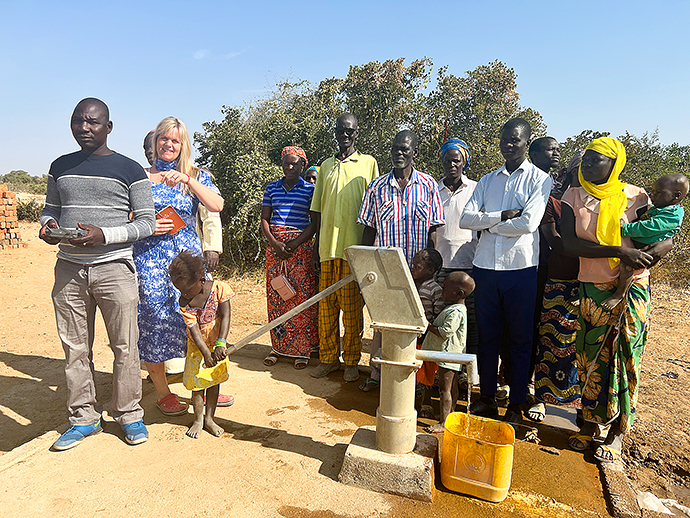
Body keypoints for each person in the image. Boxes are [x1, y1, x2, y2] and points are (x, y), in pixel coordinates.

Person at [39, 98, 155, 450]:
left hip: (115, 268)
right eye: (78, 121)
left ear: (109, 127)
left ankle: (129, 414)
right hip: (69, 269)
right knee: (75, 348)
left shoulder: (131, 169)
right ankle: (83, 418)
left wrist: (105, 235)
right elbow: (49, 210)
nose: (84, 128)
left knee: (124, 346)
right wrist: (48, 227)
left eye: (92, 122)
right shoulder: (60, 166)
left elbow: (147, 222)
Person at [561, 137, 672, 462]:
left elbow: (664, 235)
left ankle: (617, 432)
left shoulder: (635, 195)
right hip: (592, 288)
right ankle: (589, 425)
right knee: (590, 359)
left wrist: (646, 258)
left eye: (597, 160)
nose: (589, 165)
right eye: (587, 159)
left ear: (615, 164)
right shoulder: (572, 196)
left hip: (631, 287)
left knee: (625, 357)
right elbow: (570, 245)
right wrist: (619, 250)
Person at [459, 118, 551, 425]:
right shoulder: (487, 181)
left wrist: (490, 224)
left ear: (527, 142)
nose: (509, 145)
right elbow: (465, 219)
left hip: (520, 269)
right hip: (485, 268)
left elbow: (528, 224)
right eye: (504, 140)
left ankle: (517, 403)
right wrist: (501, 216)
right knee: (488, 337)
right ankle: (486, 398)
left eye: (515, 140)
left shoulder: (539, 180)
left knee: (520, 339)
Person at [133, 117, 225, 417]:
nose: (169, 145)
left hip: (188, 263)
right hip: (150, 261)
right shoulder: (139, 176)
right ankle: (163, 391)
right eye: (164, 139)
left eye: (175, 140)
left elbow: (217, 205)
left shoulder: (196, 175)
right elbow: (124, 215)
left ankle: (206, 382)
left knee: (201, 319)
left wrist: (188, 180)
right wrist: (144, 225)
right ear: (156, 140)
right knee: (154, 323)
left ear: (183, 144)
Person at [357, 129, 444, 391]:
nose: (399, 153)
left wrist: (431, 271)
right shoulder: (376, 187)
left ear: (414, 153)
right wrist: (364, 269)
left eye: (405, 149)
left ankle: (412, 379)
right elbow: (368, 230)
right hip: (385, 271)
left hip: (418, 273)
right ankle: (376, 373)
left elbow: (434, 231)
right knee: (382, 323)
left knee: (415, 325)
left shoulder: (428, 186)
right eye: (395, 148)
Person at [309, 113, 379, 382]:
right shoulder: (325, 166)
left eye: (350, 131)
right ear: (335, 133)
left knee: (351, 311)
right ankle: (328, 359)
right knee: (326, 310)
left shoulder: (368, 163)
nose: (345, 135)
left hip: (354, 250)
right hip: (327, 248)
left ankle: (351, 361)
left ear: (357, 133)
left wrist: (369, 251)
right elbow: (317, 209)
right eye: (341, 130)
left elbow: (374, 207)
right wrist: (316, 248)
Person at [532, 152, 584, 421]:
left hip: (594, 283)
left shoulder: (606, 204)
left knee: (583, 347)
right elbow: (554, 240)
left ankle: (583, 406)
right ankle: (541, 398)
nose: (584, 173)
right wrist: (596, 251)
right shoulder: (556, 203)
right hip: (560, 278)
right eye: (579, 168)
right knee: (550, 339)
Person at [261, 146, 318, 369]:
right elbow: (265, 219)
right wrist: (275, 243)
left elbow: (314, 223)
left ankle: (302, 349)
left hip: (300, 248)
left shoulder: (310, 190)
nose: (289, 167)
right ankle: (278, 347)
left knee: (300, 297)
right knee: (277, 296)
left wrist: (294, 243)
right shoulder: (272, 188)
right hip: (275, 248)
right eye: (286, 162)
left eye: (294, 163)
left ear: (303, 165)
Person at [169, 251, 234, 438]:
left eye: (188, 289)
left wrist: (220, 344)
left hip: (217, 344)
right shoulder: (184, 302)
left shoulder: (219, 289)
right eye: (180, 290)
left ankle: (209, 419)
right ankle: (198, 419)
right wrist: (206, 353)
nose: (184, 294)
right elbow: (195, 331)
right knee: (197, 386)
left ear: (201, 279)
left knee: (213, 382)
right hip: (197, 350)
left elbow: (226, 316)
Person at [601, 173, 687, 310]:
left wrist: (626, 229)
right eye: (653, 191)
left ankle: (619, 294)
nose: (653, 195)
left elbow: (649, 227)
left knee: (627, 266)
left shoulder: (673, 215)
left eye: (658, 192)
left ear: (676, 195)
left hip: (647, 247)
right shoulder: (660, 208)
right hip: (638, 244)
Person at [524, 136, 562, 422]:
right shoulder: (522, 182)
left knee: (547, 331)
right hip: (525, 264)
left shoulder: (562, 187)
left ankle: (542, 392)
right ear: (534, 153)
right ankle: (515, 381)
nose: (557, 153)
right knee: (521, 326)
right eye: (551, 149)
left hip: (555, 269)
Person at [434, 138, 479, 357]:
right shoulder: (433, 190)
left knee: (469, 321)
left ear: (464, 163)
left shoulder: (476, 189)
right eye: (447, 161)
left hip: (469, 267)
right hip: (441, 267)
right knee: (443, 320)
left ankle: (468, 373)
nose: (451, 165)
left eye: (456, 161)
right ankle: (444, 370)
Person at [421, 271, 475, 433]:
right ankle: (449, 415)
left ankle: (444, 422)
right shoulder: (457, 309)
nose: (442, 291)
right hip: (452, 355)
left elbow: (445, 332)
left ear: (459, 293)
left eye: (445, 288)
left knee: (445, 389)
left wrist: (427, 325)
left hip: (448, 355)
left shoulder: (456, 312)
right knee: (452, 388)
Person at [410, 248, 445, 396]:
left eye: (417, 267)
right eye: (413, 266)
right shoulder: (410, 285)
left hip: (427, 335)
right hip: (413, 334)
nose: (413, 270)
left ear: (430, 270)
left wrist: (429, 328)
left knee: (428, 369)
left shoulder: (434, 289)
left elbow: (438, 314)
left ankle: (427, 400)